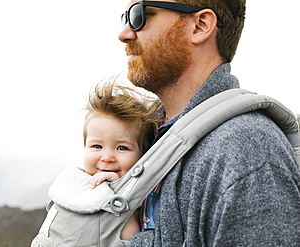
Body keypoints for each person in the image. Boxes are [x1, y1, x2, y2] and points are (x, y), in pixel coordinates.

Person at [118, 0, 300, 246]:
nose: (125, 34)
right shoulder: (143, 140)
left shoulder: (245, 150)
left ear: (200, 26)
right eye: (125, 18)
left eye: (140, 15)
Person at [31, 81, 159, 246]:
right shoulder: (71, 184)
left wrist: (121, 189)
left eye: (122, 148)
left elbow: (129, 237)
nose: (106, 157)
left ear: (143, 155)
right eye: (97, 146)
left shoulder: (147, 194)